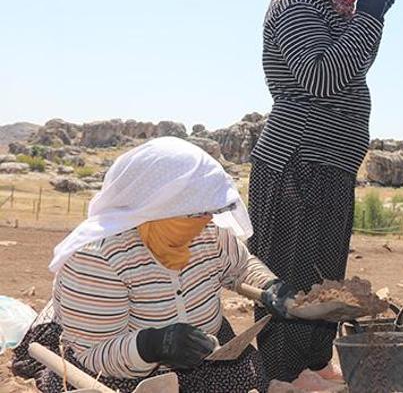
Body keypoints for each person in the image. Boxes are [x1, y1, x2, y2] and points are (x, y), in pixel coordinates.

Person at [12, 137, 294, 393]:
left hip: (208, 353)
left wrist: (269, 286)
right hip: (120, 370)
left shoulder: (207, 233)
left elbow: (241, 267)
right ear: (160, 206)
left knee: (244, 376)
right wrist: (152, 345)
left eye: (209, 211)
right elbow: (96, 353)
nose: (206, 220)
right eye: (195, 212)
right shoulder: (96, 257)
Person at [247, 0, 395, 384]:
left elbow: (346, 67)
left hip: (326, 164)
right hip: (299, 163)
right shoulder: (295, 5)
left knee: (321, 272)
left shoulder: (331, 11)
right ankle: (281, 373)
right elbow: (321, 76)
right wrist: (371, 17)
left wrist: (364, 20)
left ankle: (310, 364)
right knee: (292, 272)